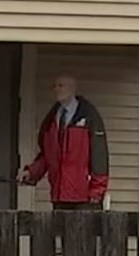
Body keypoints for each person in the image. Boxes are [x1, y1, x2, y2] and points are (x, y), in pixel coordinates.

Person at [21, 75, 109, 210]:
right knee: (59, 231)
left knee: (81, 231)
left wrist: (97, 191)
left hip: (83, 196)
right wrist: (32, 173)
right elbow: (47, 154)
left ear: (72, 88)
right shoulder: (52, 118)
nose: (56, 89)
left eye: (61, 86)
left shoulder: (88, 116)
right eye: (55, 86)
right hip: (59, 193)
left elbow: (99, 156)